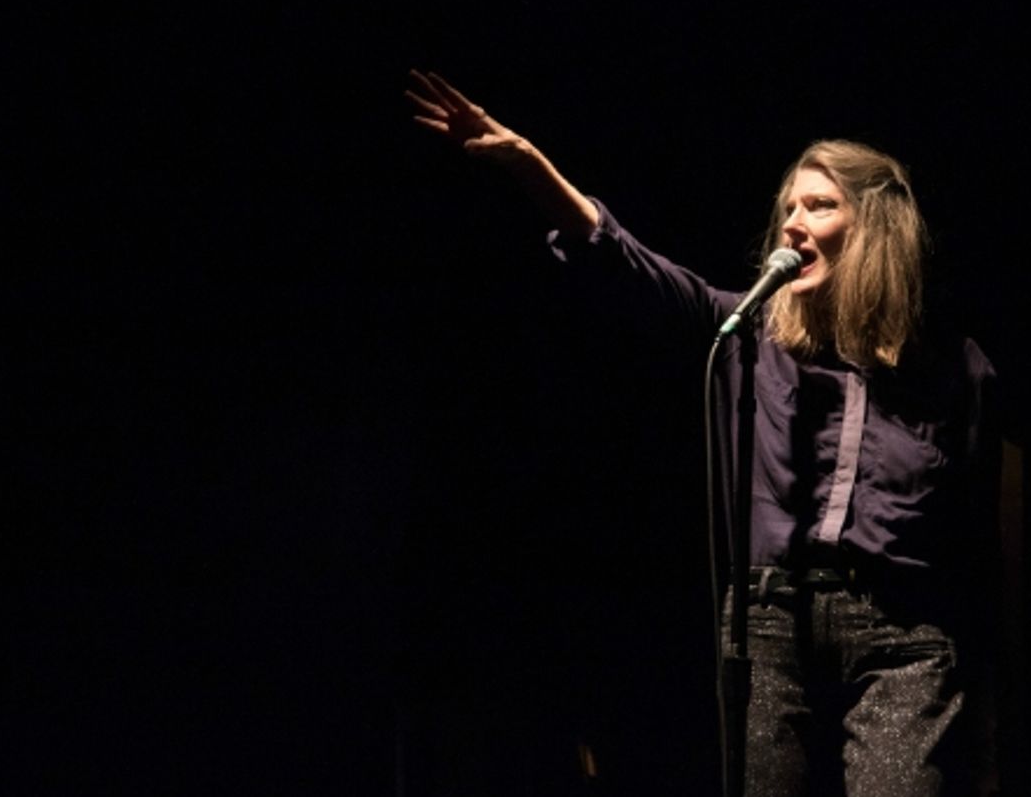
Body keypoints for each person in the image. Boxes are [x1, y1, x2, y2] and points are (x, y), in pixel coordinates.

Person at [405, 70, 1001, 797]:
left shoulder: (954, 368)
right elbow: (622, 259)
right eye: (788, 207)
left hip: (902, 632)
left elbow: (973, 534)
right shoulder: (747, 333)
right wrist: (531, 165)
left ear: (874, 228)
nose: (793, 222)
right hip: (769, 620)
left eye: (819, 205)